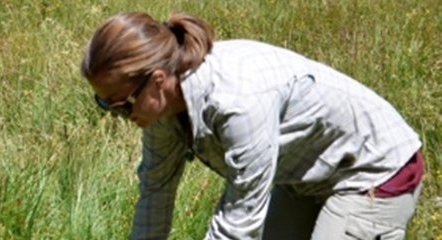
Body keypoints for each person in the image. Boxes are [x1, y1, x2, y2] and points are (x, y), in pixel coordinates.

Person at [80, 12, 424, 239]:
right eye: (102, 103)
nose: (117, 114)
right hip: (304, 175)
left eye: (119, 103)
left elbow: (237, 225)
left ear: (157, 79)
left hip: (372, 169)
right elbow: (155, 193)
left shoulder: (236, 102)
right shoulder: (160, 106)